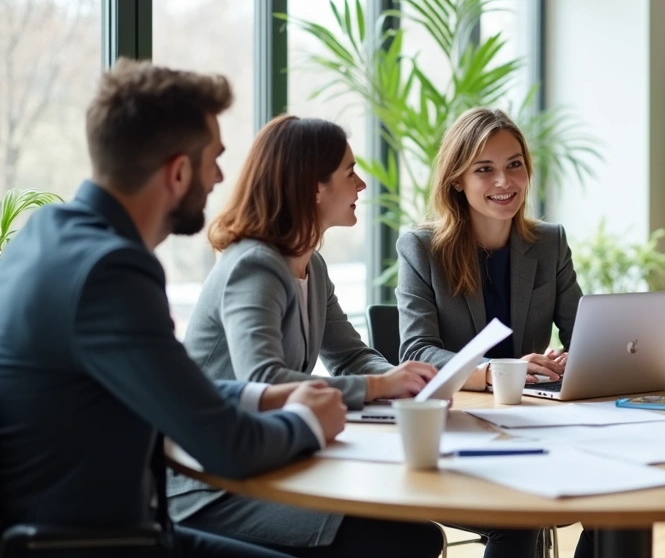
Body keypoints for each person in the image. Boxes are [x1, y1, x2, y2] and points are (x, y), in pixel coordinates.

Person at [0, 59, 354, 558]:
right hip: (94, 545)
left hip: (93, 529)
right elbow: (225, 447)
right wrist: (310, 422)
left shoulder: (48, 234)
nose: (220, 176)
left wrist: (264, 398)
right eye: (214, 158)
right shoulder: (112, 273)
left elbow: (178, 387)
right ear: (179, 171)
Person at [167, 114, 446, 557]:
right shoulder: (253, 265)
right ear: (314, 186)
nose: (361, 186)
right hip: (212, 484)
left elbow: (352, 357)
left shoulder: (310, 265)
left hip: (270, 460)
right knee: (409, 540)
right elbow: (262, 379)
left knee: (415, 532)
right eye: (349, 172)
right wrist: (378, 386)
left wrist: (405, 379)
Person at [396, 107, 582, 389]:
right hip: (461, 407)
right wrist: (494, 371)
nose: (504, 181)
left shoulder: (549, 243)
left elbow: (583, 337)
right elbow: (417, 352)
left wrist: (571, 359)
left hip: (534, 403)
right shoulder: (421, 249)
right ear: (457, 180)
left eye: (514, 165)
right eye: (485, 169)